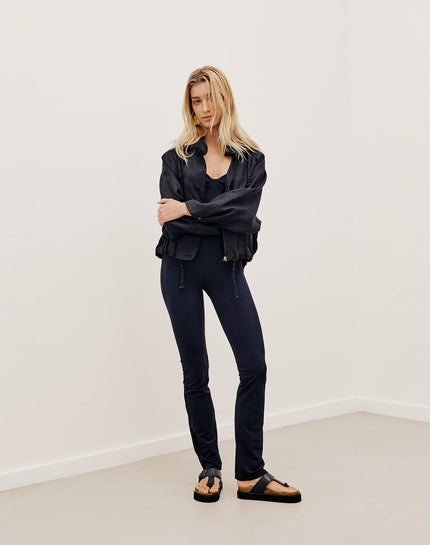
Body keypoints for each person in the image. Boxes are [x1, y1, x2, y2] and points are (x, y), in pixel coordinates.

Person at [155, 66, 301, 504]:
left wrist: (190, 209)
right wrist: (216, 215)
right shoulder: (174, 158)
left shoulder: (251, 160)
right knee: (195, 372)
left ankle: (250, 474)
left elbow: (245, 214)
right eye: (195, 101)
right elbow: (171, 223)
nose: (204, 109)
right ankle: (210, 468)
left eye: (209, 98)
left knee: (254, 366)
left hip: (227, 270)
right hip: (180, 271)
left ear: (225, 99)